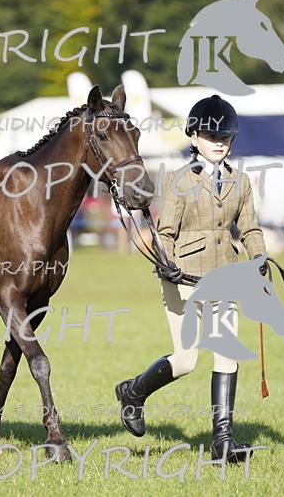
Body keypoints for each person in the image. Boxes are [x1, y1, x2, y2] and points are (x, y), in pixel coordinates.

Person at [114, 95, 267, 463]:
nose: (219, 143)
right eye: (211, 136)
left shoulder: (240, 181)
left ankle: (223, 441)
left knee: (228, 353)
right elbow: (165, 233)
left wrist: (259, 256)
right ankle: (133, 393)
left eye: (226, 137)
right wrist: (164, 263)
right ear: (194, 137)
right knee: (186, 361)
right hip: (183, 279)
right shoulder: (181, 181)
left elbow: (250, 228)